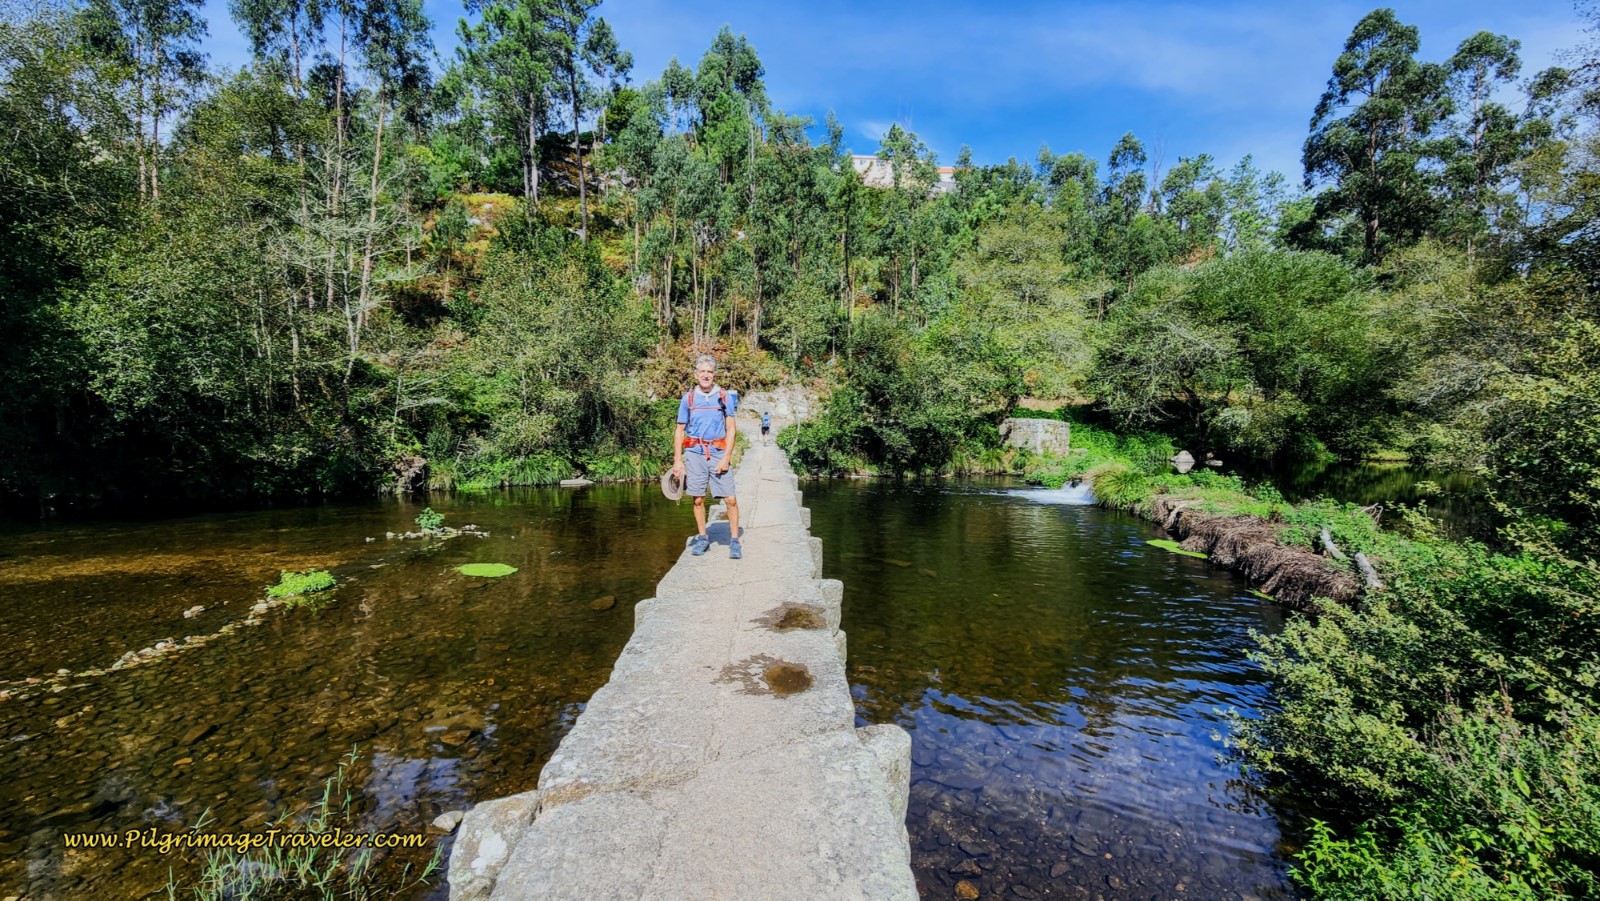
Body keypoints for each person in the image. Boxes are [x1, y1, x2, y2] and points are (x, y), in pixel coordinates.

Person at [671, 355, 741, 559]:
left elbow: (731, 428)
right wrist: (677, 460)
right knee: (698, 499)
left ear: (714, 374)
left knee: (731, 498)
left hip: (718, 451)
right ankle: (703, 538)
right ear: (695, 375)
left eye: (709, 372)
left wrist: (726, 457)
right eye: (702, 371)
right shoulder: (688, 399)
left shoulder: (724, 397)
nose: (706, 375)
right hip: (694, 453)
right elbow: (679, 430)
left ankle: (735, 540)